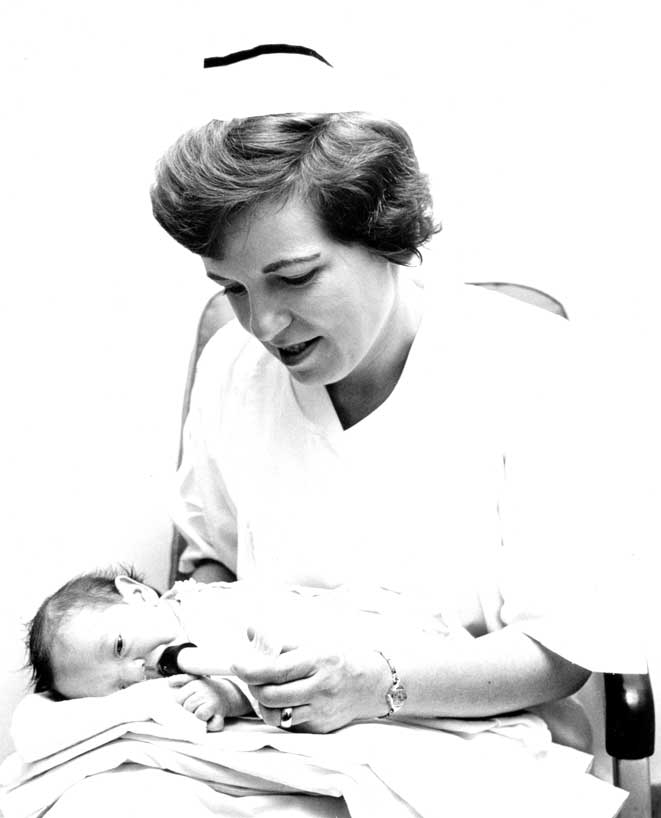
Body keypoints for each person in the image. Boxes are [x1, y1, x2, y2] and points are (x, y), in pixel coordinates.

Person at [10, 46, 646, 817]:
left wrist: (375, 682)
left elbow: (557, 655)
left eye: (293, 277)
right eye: (231, 289)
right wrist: (200, 646)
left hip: (464, 736)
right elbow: (209, 561)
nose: (264, 324)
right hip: (258, 733)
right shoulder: (230, 371)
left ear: (382, 232)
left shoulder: (532, 364)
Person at [26, 566, 454, 723]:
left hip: (387, 634)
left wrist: (229, 697)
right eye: (120, 688)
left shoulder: (201, 608)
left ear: (138, 594)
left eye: (119, 646)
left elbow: (263, 664)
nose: (136, 670)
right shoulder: (173, 664)